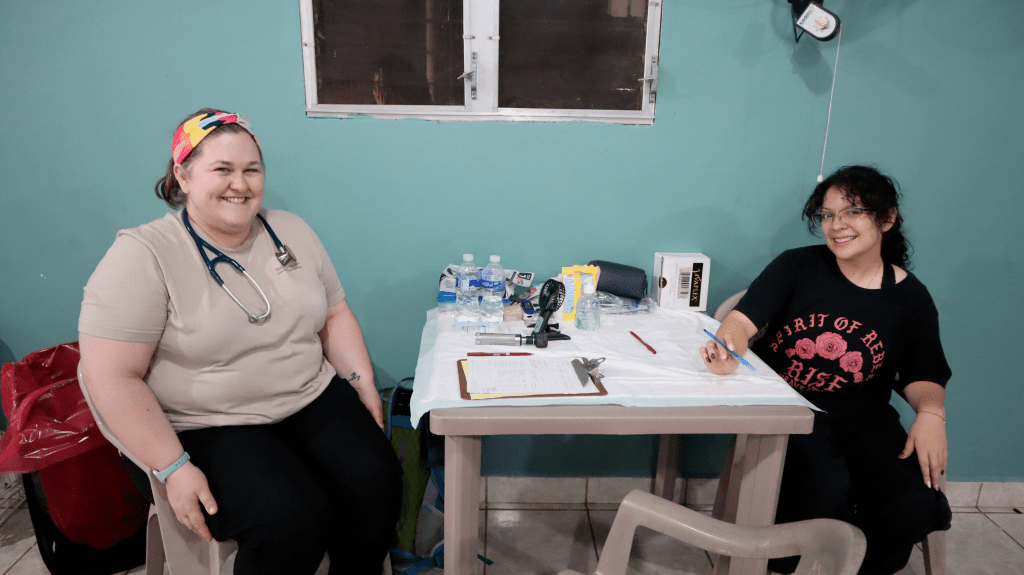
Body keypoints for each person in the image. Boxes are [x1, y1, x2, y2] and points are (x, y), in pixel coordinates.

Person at [78, 109, 402, 575]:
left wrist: (361, 382)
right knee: (291, 520)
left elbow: (335, 312)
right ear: (183, 175)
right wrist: (173, 467)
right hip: (207, 423)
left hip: (308, 397)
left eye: (252, 170)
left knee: (377, 484)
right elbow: (110, 377)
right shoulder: (143, 254)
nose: (240, 184)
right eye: (222, 169)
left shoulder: (290, 230)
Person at [699, 166, 952, 575]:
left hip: (865, 418)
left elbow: (923, 373)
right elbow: (740, 322)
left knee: (912, 503)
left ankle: (857, 566)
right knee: (824, 493)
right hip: (790, 410)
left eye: (853, 212)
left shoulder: (910, 297)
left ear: (887, 219)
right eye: (828, 215)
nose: (837, 225)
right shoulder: (796, 267)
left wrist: (931, 414)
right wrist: (727, 348)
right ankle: (805, 563)